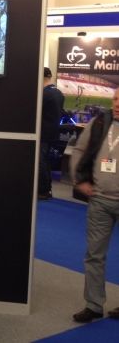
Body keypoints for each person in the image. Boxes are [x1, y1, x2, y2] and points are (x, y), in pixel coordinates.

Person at [70, 87, 119, 323]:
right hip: (100, 200)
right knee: (94, 255)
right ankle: (93, 304)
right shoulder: (100, 122)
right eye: (116, 99)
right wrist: (80, 179)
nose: (117, 104)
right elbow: (80, 149)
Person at [38, 67, 64, 200]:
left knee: (41, 162)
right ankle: (46, 189)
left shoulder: (44, 94)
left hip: (43, 134)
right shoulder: (58, 93)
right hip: (53, 133)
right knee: (45, 162)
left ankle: (43, 190)